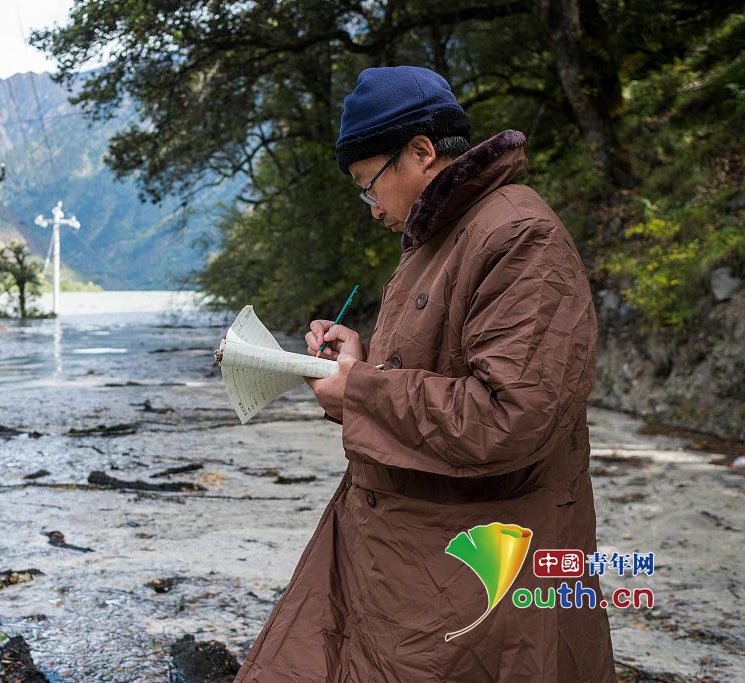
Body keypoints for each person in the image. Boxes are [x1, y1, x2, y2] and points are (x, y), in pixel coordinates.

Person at [234, 66, 616, 682]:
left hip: (473, 569)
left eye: (369, 186)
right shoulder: (441, 237)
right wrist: (359, 366)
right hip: (409, 555)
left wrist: (361, 390)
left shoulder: (519, 235)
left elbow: (510, 416)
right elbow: (435, 373)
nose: (371, 209)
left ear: (420, 151)